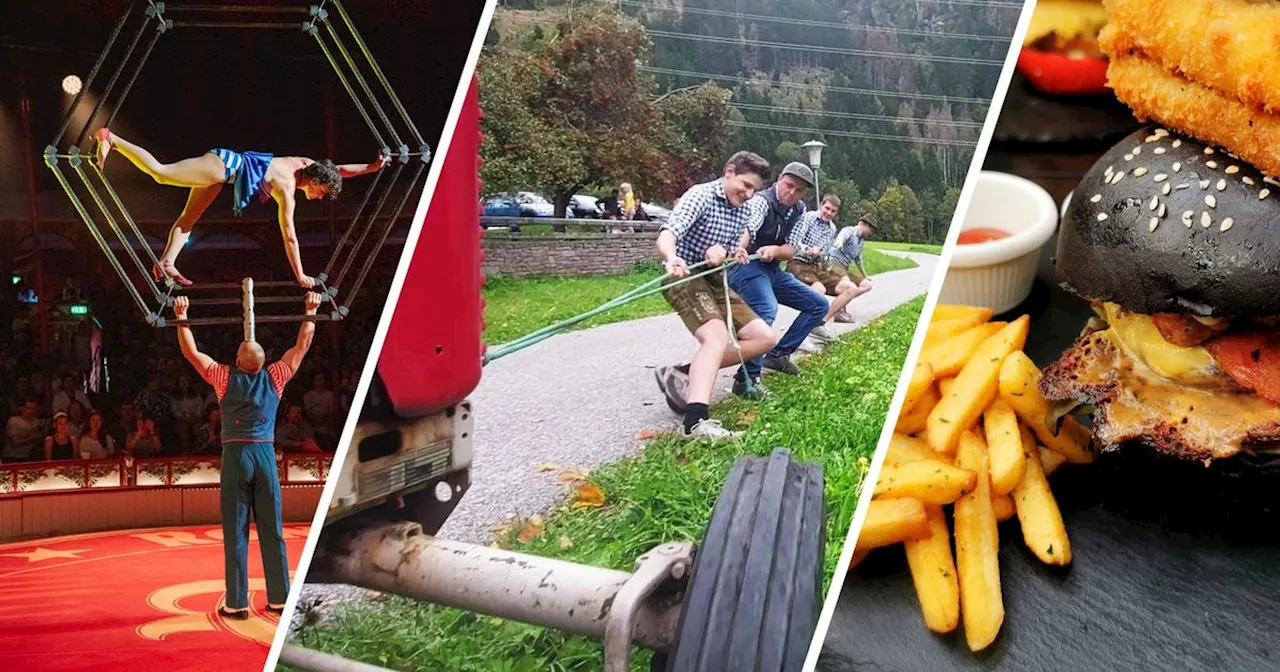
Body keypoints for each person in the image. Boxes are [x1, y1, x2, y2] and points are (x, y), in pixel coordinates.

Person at [173, 291, 321, 619]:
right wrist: (310, 312)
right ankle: (280, 598)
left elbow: (192, 353)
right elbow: (301, 348)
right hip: (266, 454)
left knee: (236, 531)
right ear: (264, 361)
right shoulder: (276, 377)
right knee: (272, 530)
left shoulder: (224, 378)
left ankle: (237, 602)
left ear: (238, 362)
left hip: (236, 455)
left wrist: (182, 317)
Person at [92, 127, 390, 288]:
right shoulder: (287, 187)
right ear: (313, 181)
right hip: (223, 166)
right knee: (161, 173)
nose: (320, 197)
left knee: (189, 218)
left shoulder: (309, 165)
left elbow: (339, 170)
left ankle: (167, 261)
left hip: (225, 175)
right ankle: (112, 139)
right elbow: (290, 236)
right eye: (322, 192)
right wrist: (300, 275)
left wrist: (372, 168)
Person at [652, 151, 779, 440]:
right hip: (684, 275)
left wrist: (735, 252)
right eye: (745, 185)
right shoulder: (700, 196)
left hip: (716, 279)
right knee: (717, 337)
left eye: (754, 190)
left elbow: (730, 245)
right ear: (729, 171)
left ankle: (684, 373)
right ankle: (694, 423)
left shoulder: (746, 208)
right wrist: (671, 257)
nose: (748, 194)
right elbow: (668, 233)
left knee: (764, 338)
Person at [725, 162, 832, 393]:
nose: (791, 193)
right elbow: (748, 230)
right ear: (780, 178)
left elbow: (791, 248)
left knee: (818, 305)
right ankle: (747, 379)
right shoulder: (762, 201)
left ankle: (778, 356)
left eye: (799, 190)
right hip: (746, 267)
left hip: (773, 269)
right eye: (789, 185)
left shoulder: (800, 210)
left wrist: (774, 250)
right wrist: (742, 249)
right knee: (766, 309)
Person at [787, 196, 874, 326]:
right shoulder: (809, 217)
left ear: (836, 213)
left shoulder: (832, 228)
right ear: (821, 205)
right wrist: (806, 248)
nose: (828, 213)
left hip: (816, 266)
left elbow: (825, 251)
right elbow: (795, 239)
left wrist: (818, 252)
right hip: (799, 262)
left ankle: (820, 323)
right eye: (827, 208)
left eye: (833, 211)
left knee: (850, 287)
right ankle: (801, 327)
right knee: (819, 289)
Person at [827, 215, 878, 316]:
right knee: (847, 282)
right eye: (870, 230)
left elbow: (858, 259)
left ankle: (841, 301)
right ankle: (838, 311)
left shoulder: (861, 241)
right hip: (834, 262)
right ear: (865, 225)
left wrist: (865, 275)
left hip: (844, 267)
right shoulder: (849, 231)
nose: (870, 233)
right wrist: (839, 242)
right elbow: (841, 237)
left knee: (867, 285)